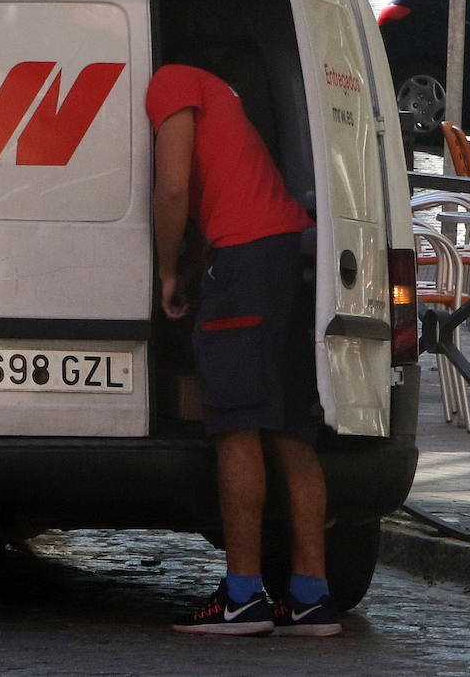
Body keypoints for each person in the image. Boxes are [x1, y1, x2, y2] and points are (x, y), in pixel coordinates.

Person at [147, 62, 341, 638]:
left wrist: (165, 273)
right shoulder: (221, 90)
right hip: (288, 253)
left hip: (244, 264)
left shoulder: (171, 80)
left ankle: (242, 596)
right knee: (291, 433)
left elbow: (174, 185)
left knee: (236, 426)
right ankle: (311, 597)